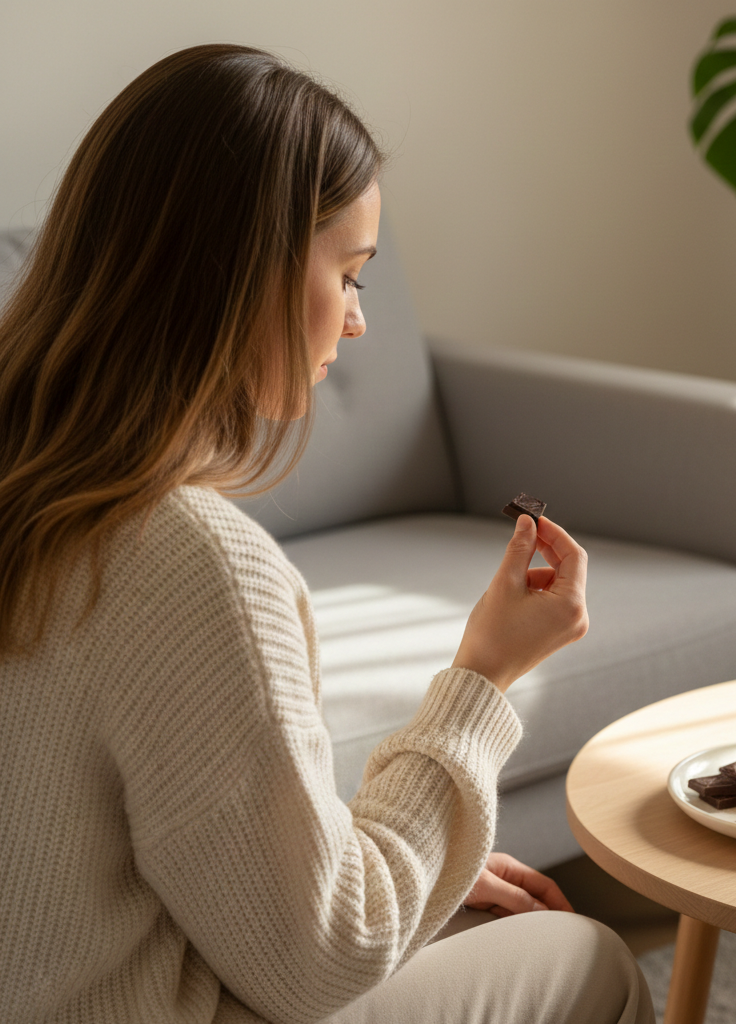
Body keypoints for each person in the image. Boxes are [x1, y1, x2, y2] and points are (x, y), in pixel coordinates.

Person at [0, 43, 656, 1024]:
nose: (355, 323)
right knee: (587, 957)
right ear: (238, 270)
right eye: (349, 275)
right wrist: (482, 677)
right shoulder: (193, 564)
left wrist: (382, 858)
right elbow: (320, 963)